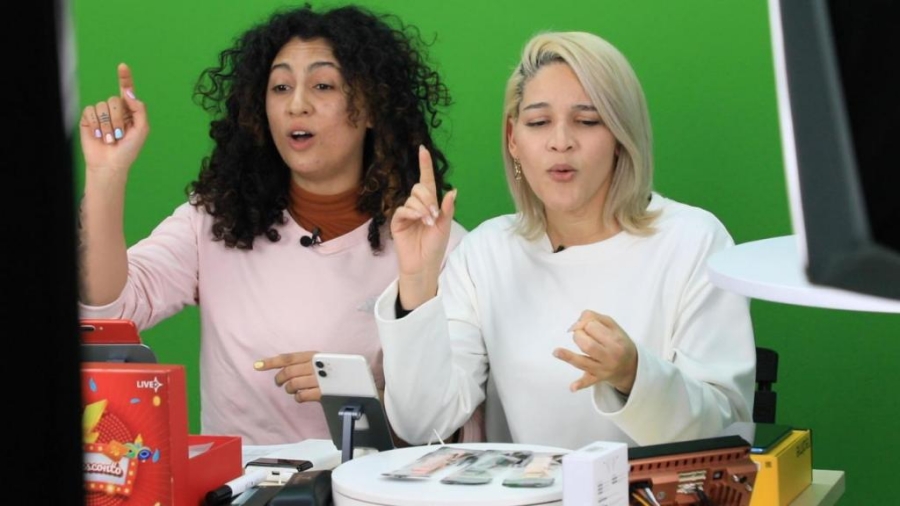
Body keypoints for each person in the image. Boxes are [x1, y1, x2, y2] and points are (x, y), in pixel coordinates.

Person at [76, 3, 466, 446]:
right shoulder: (215, 220)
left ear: (373, 107)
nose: (296, 105)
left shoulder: (436, 246)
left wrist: (358, 395)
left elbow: (445, 429)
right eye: (280, 87)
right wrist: (106, 176)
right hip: (237, 481)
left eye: (323, 85)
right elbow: (108, 313)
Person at [375, 31, 756, 449]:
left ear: (621, 135)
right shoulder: (487, 252)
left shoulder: (693, 241)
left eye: (587, 121)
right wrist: (417, 281)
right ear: (513, 139)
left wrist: (634, 375)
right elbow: (422, 423)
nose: (560, 142)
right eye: (539, 123)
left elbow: (728, 433)